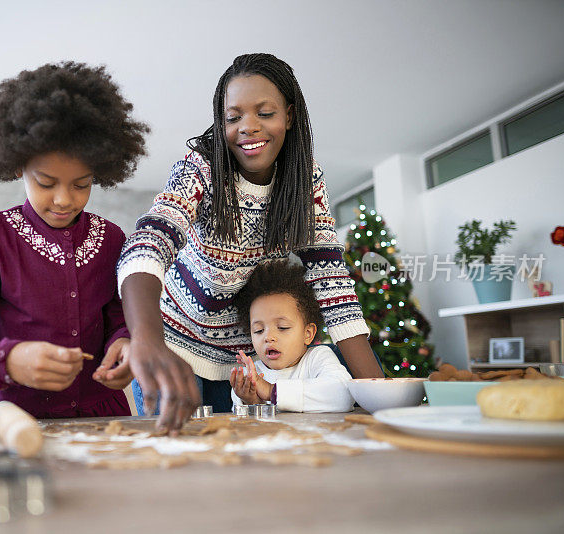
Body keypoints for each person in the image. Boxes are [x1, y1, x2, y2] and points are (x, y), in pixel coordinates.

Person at [115, 53, 382, 432]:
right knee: (178, 462)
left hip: (245, 363)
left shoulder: (306, 180)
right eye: (233, 116)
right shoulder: (202, 167)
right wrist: (146, 339)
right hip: (173, 347)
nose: (248, 127)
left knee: (242, 464)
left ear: (289, 115)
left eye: (265, 113)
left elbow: (331, 281)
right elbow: (150, 241)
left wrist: (378, 393)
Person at [0, 61, 149, 420]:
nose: (64, 199)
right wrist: (9, 361)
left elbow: (118, 316)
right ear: (18, 165)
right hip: (14, 418)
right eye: (46, 183)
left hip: (103, 421)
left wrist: (124, 343)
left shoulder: (112, 239)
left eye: (81, 184)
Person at [229, 260, 354, 413]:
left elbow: (344, 394)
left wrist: (271, 392)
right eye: (259, 330)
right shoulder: (251, 377)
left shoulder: (317, 358)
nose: (268, 337)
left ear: (307, 334)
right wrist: (253, 401)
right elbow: (248, 429)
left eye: (282, 327)